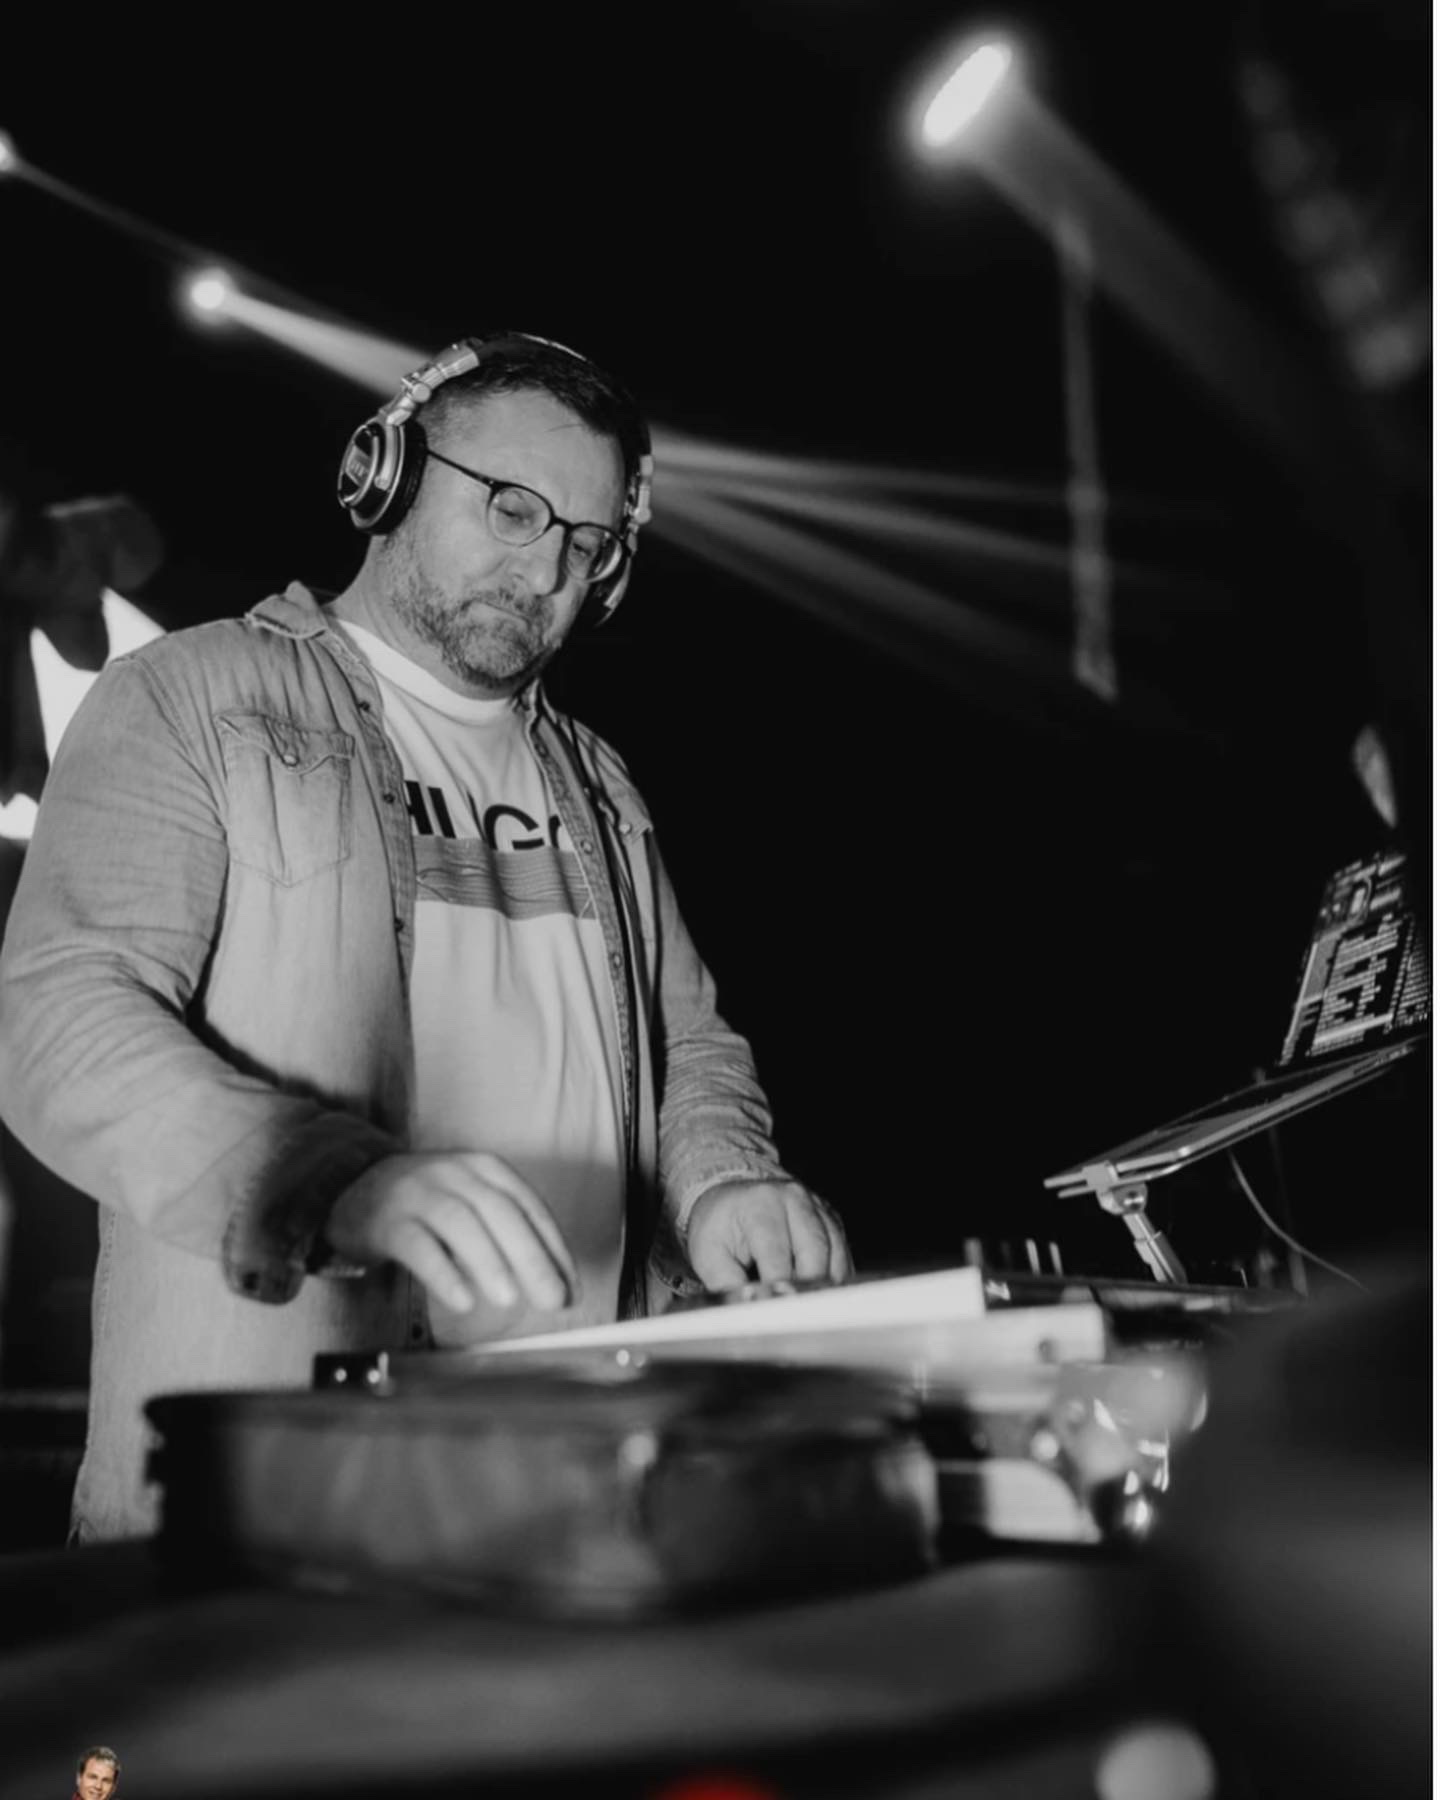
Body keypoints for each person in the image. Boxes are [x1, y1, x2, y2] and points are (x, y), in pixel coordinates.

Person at [0, 330, 852, 1541]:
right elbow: (56, 1022)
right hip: (279, 1508)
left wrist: (723, 1182)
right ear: (386, 477)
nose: (544, 565)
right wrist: (336, 1183)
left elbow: (692, 1045)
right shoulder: (190, 697)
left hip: (582, 1485)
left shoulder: (600, 781)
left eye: (586, 543)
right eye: (512, 507)